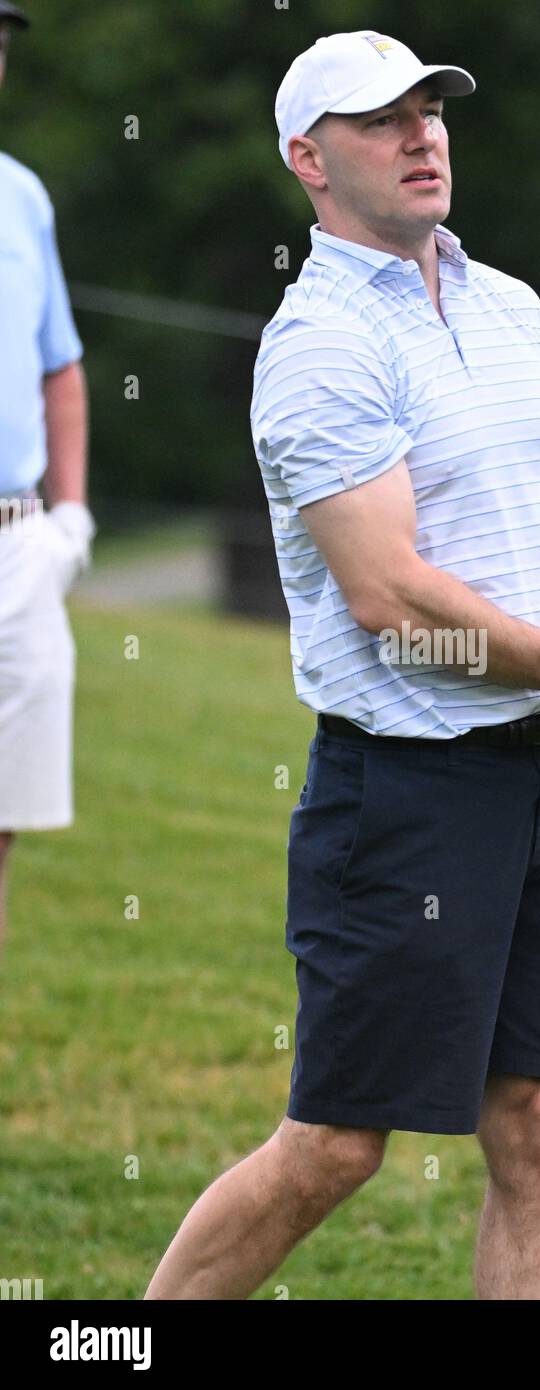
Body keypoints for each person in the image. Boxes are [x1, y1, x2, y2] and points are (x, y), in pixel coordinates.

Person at [145, 29, 540, 1301]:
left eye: (431, 110)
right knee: (337, 1144)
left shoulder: (510, 306)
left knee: (538, 1128)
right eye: (380, 118)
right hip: (406, 795)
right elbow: (391, 598)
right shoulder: (319, 345)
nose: (421, 134)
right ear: (307, 158)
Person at [0, 1, 95, 960]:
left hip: (20, 545)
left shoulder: (21, 195)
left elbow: (58, 366)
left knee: (3, 827)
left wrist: (68, 520)